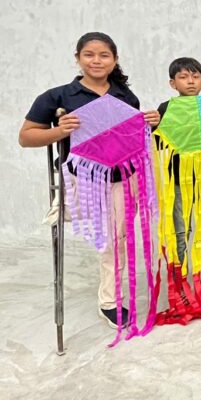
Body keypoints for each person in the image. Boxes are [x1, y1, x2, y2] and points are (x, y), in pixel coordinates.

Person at [18, 32, 160, 328]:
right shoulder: (58, 97)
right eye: (89, 54)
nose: (97, 61)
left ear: (115, 60)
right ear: (78, 58)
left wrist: (151, 125)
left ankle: (110, 300)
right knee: (97, 229)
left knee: (115, 240)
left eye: (104, 55)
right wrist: (59, 131)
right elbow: (26, 137)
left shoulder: (125, 96)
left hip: (121, 179)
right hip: (80, 179)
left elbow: (130, 138)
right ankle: (65, 206)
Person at [156, 57, 201, 271]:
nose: (190, 81)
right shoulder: (166, 108)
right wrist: (153, 126)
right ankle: (178, 272)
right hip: (178, 181)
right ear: (173, 83)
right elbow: (158, 143)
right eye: (183, 77)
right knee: (181, 229)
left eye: (195, 76)